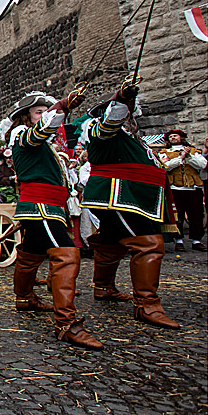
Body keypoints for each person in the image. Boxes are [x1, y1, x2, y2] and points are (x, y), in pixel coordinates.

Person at [5, 90, 101, 350]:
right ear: (25, 117)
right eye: (38, 111)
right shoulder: (22, 135)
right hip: (40, 206)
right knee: (67, 253)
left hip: (48, 207)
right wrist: (60, 106)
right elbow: (41, 130)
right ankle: (66, 323)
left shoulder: (43, 143)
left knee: (32, 253)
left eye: (45, 110)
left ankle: (24, 298)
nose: (43, 115)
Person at [79, 84, 179, 329]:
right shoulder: (99, 129)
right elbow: (108, 123)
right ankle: (147, 304)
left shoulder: (130, 139)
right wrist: (121, 100)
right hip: (119, 196)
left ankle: (104, 287)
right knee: (148, 245)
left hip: (132, 197)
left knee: (111, 243)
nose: (133, 117)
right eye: (129, 112)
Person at [159, 129, 207, 252]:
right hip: (175, 189)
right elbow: (165, 167)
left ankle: (197, 241)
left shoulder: (193, 151)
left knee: (196, 214)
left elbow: (202, 164)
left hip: (193, 188)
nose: (173, 138)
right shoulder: (164, 153)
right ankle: (179, 241)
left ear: (181, 137)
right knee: (177, 216)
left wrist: (188, 156)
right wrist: (180, 158)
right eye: (171, 136)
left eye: (175, 136)